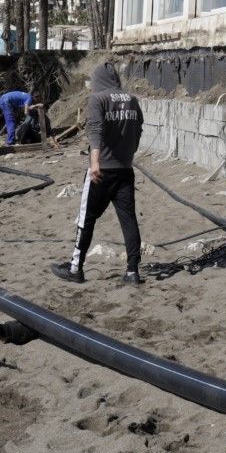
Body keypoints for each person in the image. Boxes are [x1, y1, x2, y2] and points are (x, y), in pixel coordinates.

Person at [53, 62, 144, 285]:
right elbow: (139, 128)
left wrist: (95, 162)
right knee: (128, 220)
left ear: (98, 80)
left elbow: (94, 129)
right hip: (125, 170)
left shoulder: (98, 99)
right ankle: (132, 272)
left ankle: (75, 268)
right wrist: (129, 153)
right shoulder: (132, 100)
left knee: (87, 218)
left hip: (101, 171)